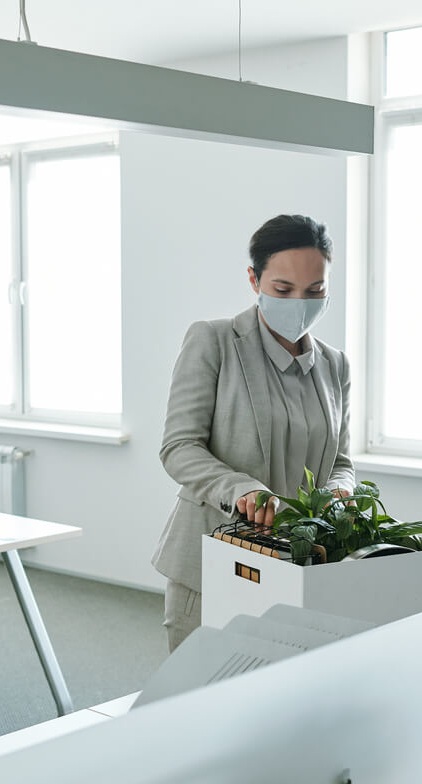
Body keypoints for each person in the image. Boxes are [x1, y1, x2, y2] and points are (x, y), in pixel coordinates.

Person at [151, 214, 355, 652]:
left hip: (296, 569)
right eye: (283, 290)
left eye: (315, 291)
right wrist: (241, 489)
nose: (300, 302)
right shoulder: (214, 341)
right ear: (254, 279)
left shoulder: (336, 365)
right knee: (199, 703)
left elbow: (341, 461)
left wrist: (340, 490)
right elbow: (179, 447)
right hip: (213, 562)